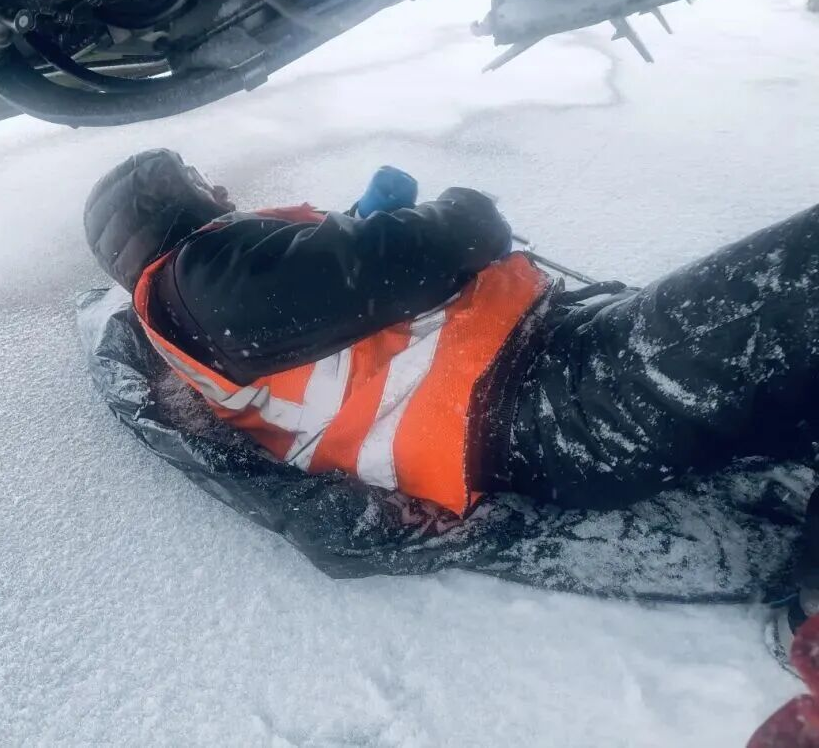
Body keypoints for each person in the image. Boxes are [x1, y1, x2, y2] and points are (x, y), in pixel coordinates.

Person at [84, 148, 819, 641]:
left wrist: (358, 226)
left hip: (549, 387)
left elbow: (343, 305)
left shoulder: (205, 304)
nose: (219, 190)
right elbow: (404, 262)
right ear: (166, 206)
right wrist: (465, 214)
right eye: (197, 180)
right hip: (552, 401)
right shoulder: (201, 277)